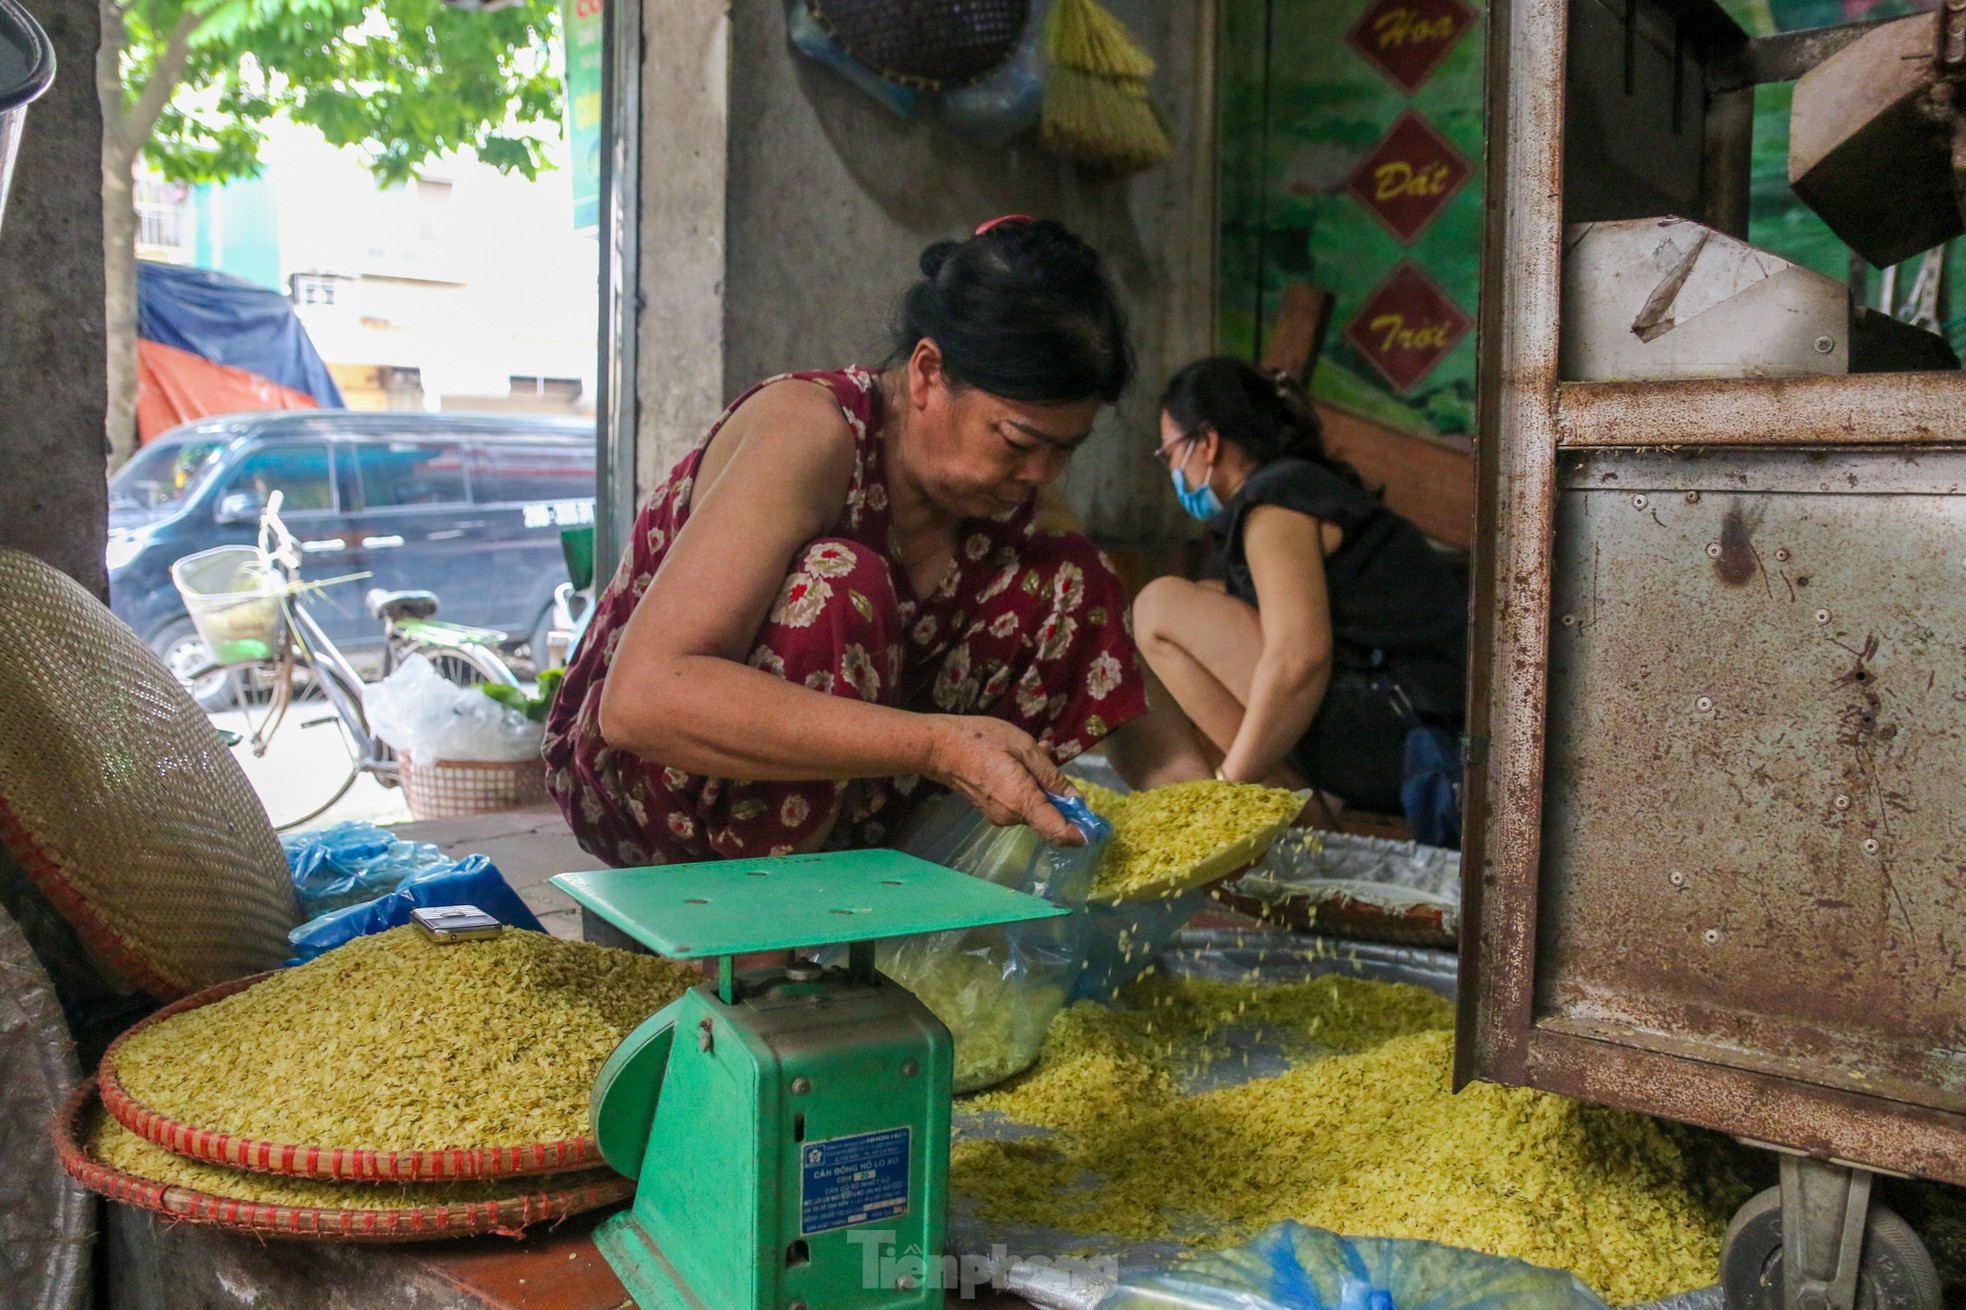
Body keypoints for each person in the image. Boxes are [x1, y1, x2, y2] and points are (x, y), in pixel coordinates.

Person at [545, 218, 1210, 867]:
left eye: (1063, 451)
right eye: (1016, 442)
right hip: (662, 793)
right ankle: (755, 952)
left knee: (1072, 580)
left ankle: (906, 908)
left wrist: (1204, 817)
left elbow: (1110, 664)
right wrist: (939, 746)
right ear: (926, 374)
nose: (1038, 474)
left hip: (852, 814)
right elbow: (641, 702)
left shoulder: (1019, 500)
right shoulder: (810, 432)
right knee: (839, 583)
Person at [1130, 357, 1466, 816]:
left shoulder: (1277, 508)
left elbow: (1299, 658)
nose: (1172, 470)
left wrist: (1228, 783)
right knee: (1206, 595)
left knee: (1158, 607)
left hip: (1412, 744)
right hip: (1411, 727)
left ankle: (1269, 800)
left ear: (1206, 443)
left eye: (1170, 453)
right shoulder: (1299, 488)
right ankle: (1283, 794)